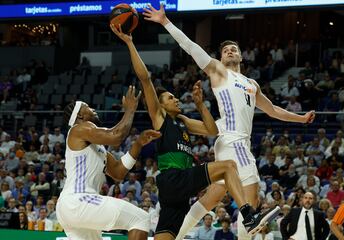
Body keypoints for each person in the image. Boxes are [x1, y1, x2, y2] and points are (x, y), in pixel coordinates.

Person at [143, 4, 315, 240]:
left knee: (211, 198)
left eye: (234, 49)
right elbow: (191, 48)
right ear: (221, 58)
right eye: (226, 51)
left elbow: (273, 110)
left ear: (242, 56)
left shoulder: (252, 84)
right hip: (232, 140)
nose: (230, 51)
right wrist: (165, 22)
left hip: (234, 142)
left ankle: (170, 236)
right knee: (251, 201)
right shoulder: (219, 72)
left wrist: (301, 118)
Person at [110, 21, 279, 239]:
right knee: (228, 167)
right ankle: (248, 215)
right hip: (174, 178)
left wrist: (200, 105)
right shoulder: (160, 118)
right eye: (171, 98)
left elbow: (210, 130)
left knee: (169, 236)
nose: (176, 98)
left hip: (178, 192)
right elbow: (145, 78)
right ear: (160, 106)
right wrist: (130, 44)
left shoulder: (182, 121)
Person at [56, 87, 162, 240]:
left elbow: (118, 172)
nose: (93, 110)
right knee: (140, 219)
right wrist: (130, 110)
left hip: (72, 208)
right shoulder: (79, 129)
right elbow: (116, 136)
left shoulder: (96, 147)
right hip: (78, 200)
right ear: (80, 115)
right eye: (88, 108)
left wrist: (137, 144)